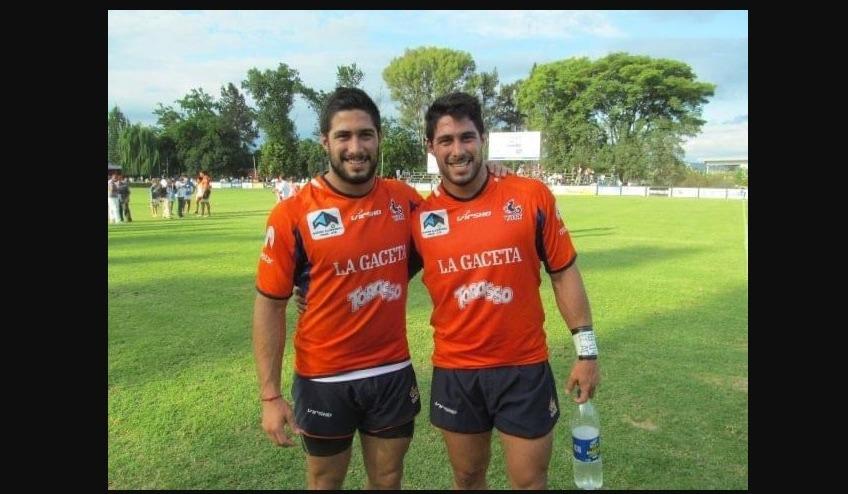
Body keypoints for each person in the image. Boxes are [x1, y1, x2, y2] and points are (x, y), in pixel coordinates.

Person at [410, 92, 600, 489]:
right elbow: (373, 267)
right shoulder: (420, 217)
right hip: (456, 371)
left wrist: (587, 352)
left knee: (530, 481)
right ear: (431, 147)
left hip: (524, 368)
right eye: (446, 141)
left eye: (467, 137)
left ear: (483, 139)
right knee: (467, 476)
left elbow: (564, 272)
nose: (458, 150)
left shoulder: (530, 196)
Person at [252, 87, 425, 490]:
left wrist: (495, 175)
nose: (355, 147)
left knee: (387, 479)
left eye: (365, 135)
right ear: (325, 141)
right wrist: (269, 395)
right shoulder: (292, 214)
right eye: (343, 136)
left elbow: (445, 231)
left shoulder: (405, 200)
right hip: (323, 376)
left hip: (391, 369)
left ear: (379, 138)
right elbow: (269, 306)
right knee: (325, 482)